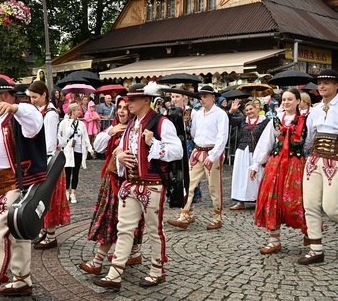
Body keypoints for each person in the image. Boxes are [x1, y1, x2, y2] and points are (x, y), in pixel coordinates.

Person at [92, 83, 183, 291]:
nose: (128, 103)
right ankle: (114, 274)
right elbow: (123, 149)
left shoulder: (161, 122)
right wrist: (120, 156)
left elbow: (177, 151)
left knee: (154, 230)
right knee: (123, 229)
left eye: (133, 99)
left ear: (145, 100)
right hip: (130, 185)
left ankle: (157, 271)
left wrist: (154, 144)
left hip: (152, 185)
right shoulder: (132, 124)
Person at [0, 74, 46, 300]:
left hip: (16, 185)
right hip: (0, 187)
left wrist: (15, 108)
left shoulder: (19, 114)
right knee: (17, 234)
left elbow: (35, 122)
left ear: (7, 95)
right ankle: (22, 278)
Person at [79, 95, 144, 275]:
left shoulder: (136, 129)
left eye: (126, 107)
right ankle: (134, 252)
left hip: (124, 182)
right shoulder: (115, 128)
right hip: (111, 180)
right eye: (120, 107)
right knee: (119, 218)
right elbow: (99, 147)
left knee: (116, 219)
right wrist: (111, 131)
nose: (122, 111)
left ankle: (98, 261)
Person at [250, 88, 307, 254]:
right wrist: (256, 164)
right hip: (276, 163)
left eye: (290, 99)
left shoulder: (306, 120)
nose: (286, 102)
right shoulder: (275, 120)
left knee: (298, 199)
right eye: (284, 100)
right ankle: (274, 239)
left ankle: (310, 232)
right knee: (271, 198)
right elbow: (265, 142)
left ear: (298, 101)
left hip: (296, 164)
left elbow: (309, 142)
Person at [167, 85, 229, 230]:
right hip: (198, 150)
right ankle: (184, 215)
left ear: (213, 97)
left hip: (211, 151)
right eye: (201, 96)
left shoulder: (220, 114)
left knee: (214, 186)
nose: (202, 99)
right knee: (189, 183)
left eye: (205, 96)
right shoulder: (197, 113)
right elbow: (194, 132)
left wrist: (214, 155)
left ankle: (217, 216)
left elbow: (222, 137)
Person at [299, 69, 338, 264]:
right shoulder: (314, 111)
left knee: (331, 208)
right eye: (320, 83)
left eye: (327, 83)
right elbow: (309, 138)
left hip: (336, 159)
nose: (322, 86)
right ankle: (316, 249)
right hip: (314, 159)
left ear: (337, 85)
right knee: (310, 204)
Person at [28, 81, 70, 250]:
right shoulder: (41, 111)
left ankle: (50, 234)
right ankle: (44, 230)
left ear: (44, 94)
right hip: (43, 160)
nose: (32, 100)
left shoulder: (50, 114)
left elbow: (50, 144)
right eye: (30, 97)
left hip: (48, 163)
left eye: (35, 97)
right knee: (41, 198)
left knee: (49, 198)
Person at [227, 100, 269, 210]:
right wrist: (231, 111)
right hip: (242, 151)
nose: (249, 112)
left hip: (256, 152)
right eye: (247, 110)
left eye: (251, 109)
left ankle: (259, 200)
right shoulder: (243, 121)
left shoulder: (265, 122)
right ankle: (240, 201)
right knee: (241, 177)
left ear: (257, 109)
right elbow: (229, 121)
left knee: (257, 177)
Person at [58, 103, 94, 203]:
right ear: (72, 111)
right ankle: (66, 191)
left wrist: (90, 148)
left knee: (76, 172)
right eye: (78, 110)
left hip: (78, 150)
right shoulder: (64, 123)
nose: (79, 112)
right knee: (68, 172)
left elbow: (85, 137)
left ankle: (73, 192)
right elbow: (60, 136)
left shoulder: (81, 124)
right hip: (68, 151)